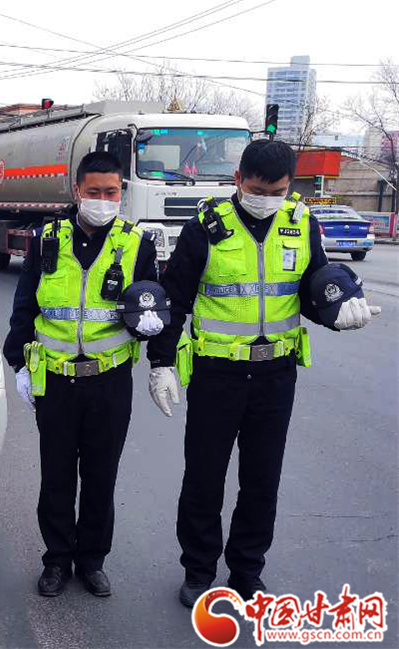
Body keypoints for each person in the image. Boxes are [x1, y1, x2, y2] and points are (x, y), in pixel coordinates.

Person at [145, 139, 381, 607]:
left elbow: (313, 291)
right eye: (257, 189)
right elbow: (174, 299)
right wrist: (161, 363)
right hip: (217, 374)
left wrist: (337, 312)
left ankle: (247, 571)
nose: (267, 199)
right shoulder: (206, 227)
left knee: (262, 480)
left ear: (290, 186)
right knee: (204, 479)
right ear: (238, 179)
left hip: (275, 375)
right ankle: (198, 571)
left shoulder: (300, 224)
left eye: (277, 191)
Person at [4, 151, 163, 598]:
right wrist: (18, 364)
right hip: (55, 380)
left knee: (100, 476)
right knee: (56, 476)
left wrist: (153, 328)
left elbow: (149, 304)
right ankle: (56, 560)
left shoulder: (137, 244)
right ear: (77, 191)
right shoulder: (47, 240)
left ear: (121, 192)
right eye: (94, 192)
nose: (102, 200)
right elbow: (25, 305)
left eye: (111, 193)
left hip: (109, 381)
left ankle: (92, 561)